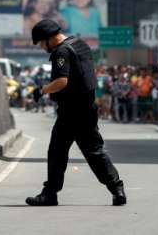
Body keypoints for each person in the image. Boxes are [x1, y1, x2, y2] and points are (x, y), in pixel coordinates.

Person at [26, 19, 126, 206]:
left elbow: (62, 82)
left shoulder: (61, 52)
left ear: (49, 38)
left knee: (57, 152)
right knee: (95, 151)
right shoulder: (80, 44)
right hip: (87, 108)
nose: (42, 47)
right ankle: (117, 189)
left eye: (41, 43)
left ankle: (50, 194)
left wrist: (42, 90)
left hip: (70, 111)